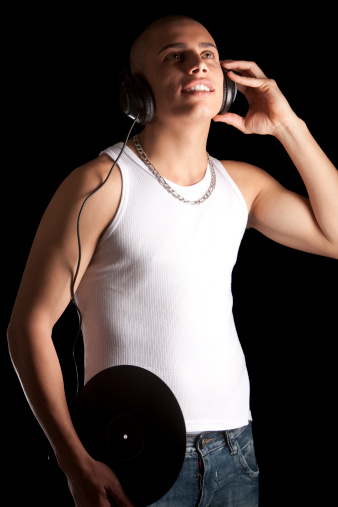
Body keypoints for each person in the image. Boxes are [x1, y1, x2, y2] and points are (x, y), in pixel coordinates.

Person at [7, 14, 338, 507]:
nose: (196, 64)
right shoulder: (101, 183)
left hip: (235, 451)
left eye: (207, 54)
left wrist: (288, 125)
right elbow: (28, 327)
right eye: (174, 56)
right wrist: (75, 463)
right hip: (133, 457)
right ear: (136, 92)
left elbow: (335, 236)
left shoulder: (242, 186)